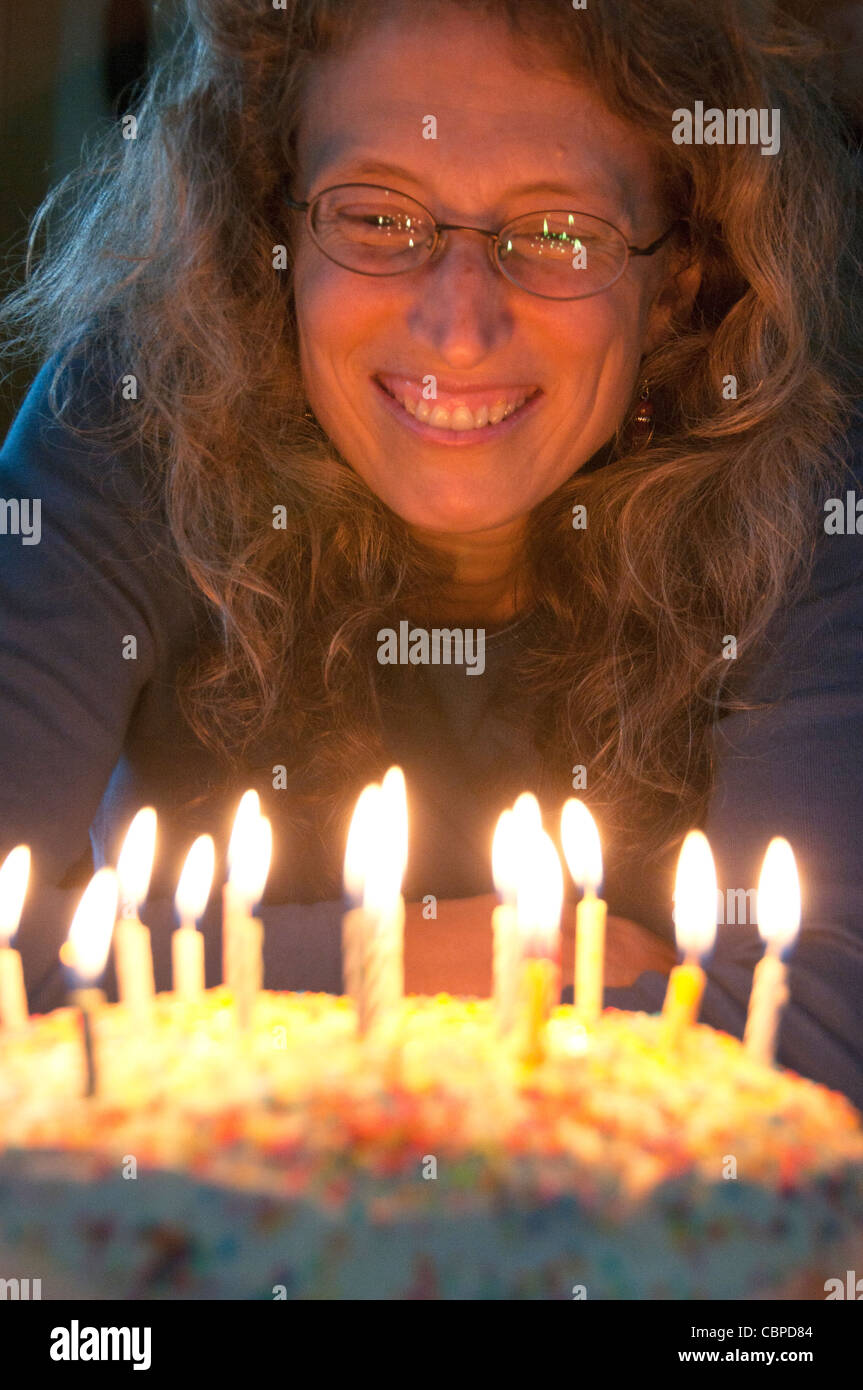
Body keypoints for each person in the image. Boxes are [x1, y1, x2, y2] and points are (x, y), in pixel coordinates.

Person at [1, 0, 861, 1105]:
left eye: (555, 234)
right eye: (375, 218)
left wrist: (198, 975)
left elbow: (822, 1044)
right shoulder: (135, 406)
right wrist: (447, 961)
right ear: (269, 225)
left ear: (678, 276)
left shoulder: (798, 478)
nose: (458, 326)